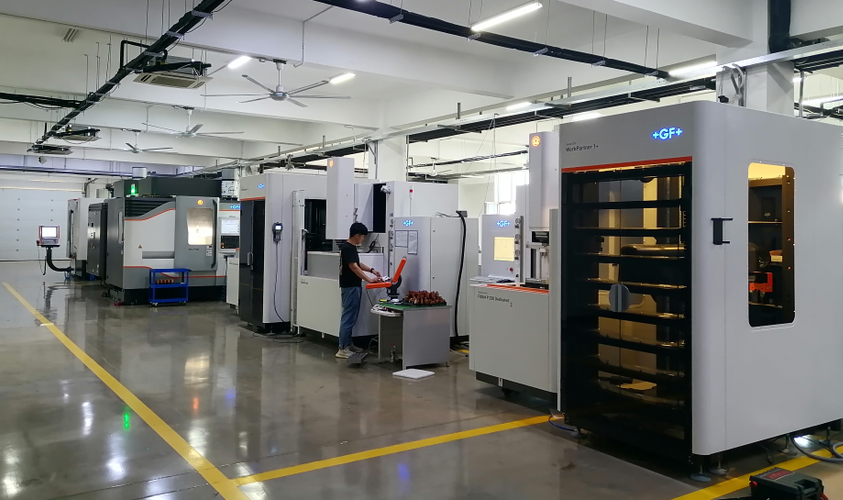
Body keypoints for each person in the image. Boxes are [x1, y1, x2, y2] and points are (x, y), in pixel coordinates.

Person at [337, 222, 381, 359]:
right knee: (348, 318)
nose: (363, 239)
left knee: (352, 317)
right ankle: (342, 348)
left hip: (353, 286)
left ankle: (348, 344)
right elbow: (354, 267)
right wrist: (369, 279)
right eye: (362, 237)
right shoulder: (347, 248)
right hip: (350, 287)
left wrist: (371, 270)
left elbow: (357, 263)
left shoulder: (350, 248)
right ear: (357, 235)